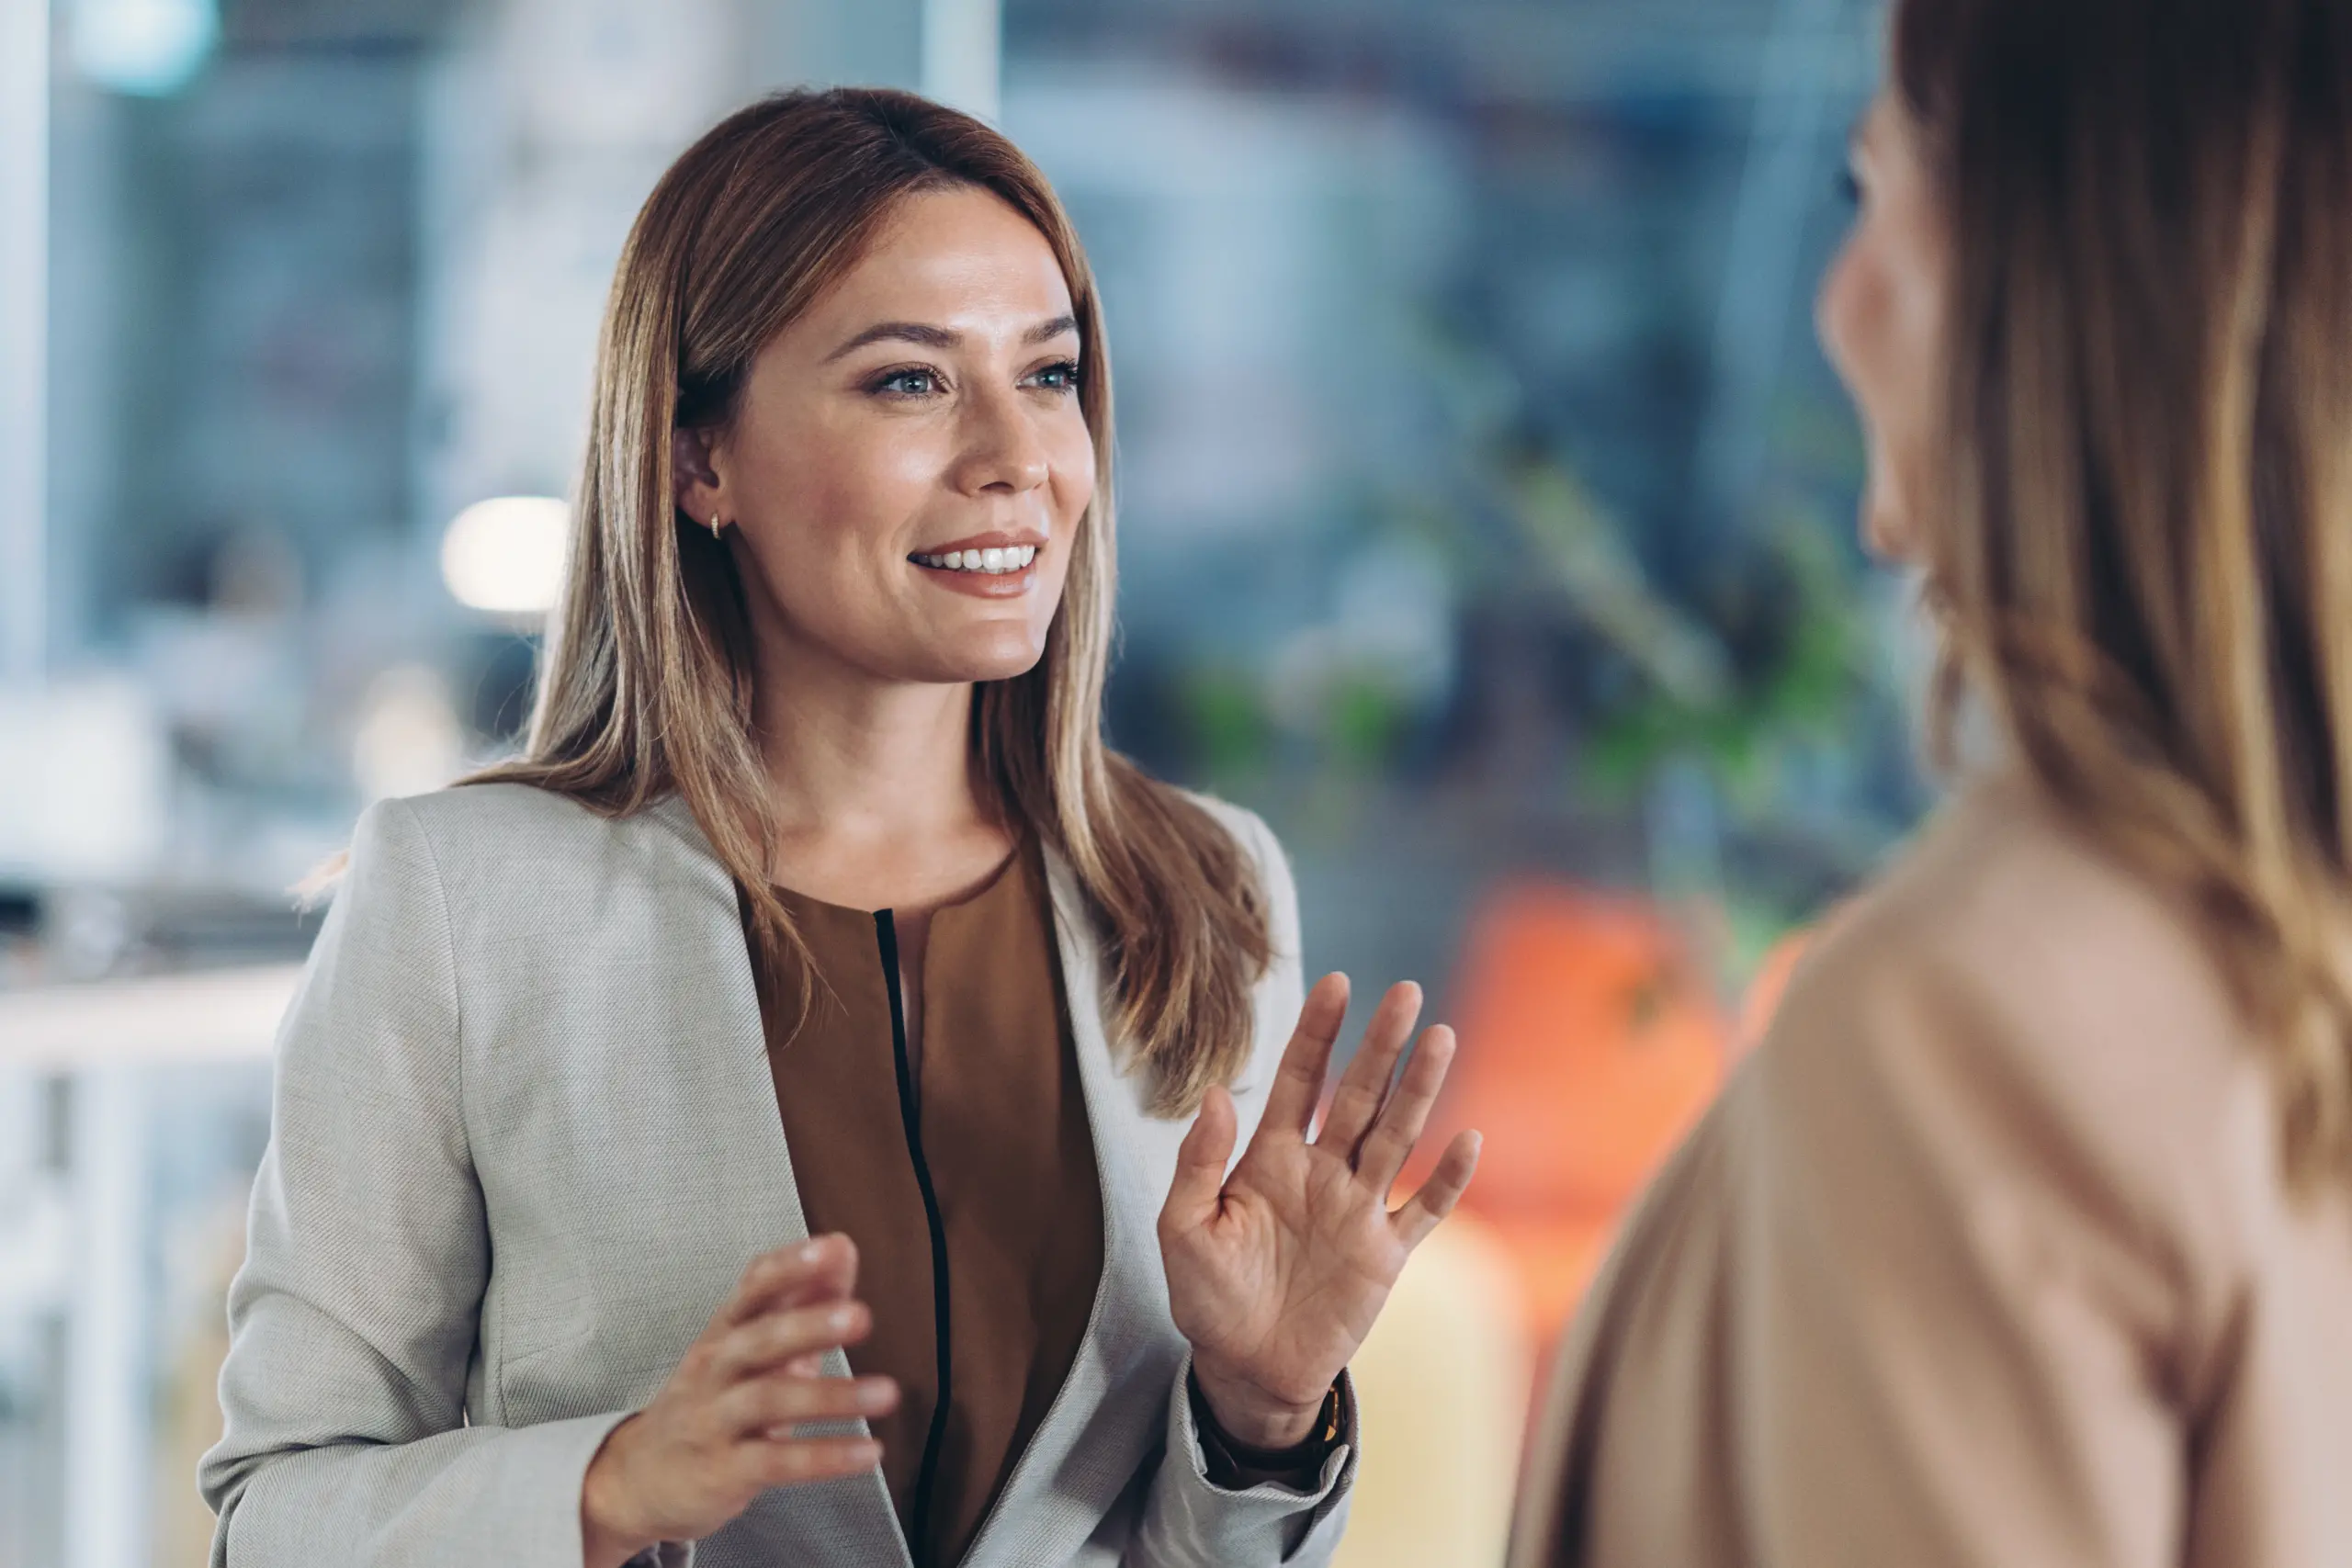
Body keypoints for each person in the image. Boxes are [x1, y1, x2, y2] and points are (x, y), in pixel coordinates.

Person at [198, 88, 1480, 1568]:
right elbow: (274, 1518)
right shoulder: (464, 903)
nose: (1016, 456)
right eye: (908, 384)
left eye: (1050, 372)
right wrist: (604, 1488)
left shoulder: (1203, 892)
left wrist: (1262, 1415)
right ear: (699, 462)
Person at [1510, 0, 2352, 1563]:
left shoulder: (1963, 1023)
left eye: (1874, 188)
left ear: (2060, 282)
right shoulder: (2281, 945)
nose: (1839, 303)